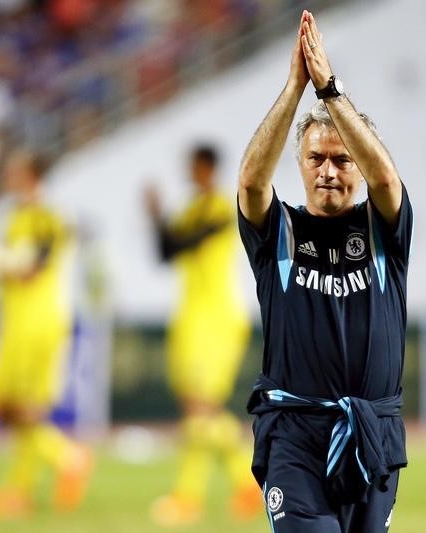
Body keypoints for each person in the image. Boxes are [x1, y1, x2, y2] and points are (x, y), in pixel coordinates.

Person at [237, 10, 412, 532]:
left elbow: (386, 176)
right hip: (295, 434)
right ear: (300, 164)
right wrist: (295, 88)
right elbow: (249, 183)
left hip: (372, 431)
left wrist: (330, 91)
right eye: (316, 159)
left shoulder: (385, 230)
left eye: (341, 159)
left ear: (356, 166)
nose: (328, 171)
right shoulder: (280, 232)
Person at [0, 149, 93, 520]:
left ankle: (29, 484)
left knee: (25, 408)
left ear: (32, 175)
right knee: (5, 407)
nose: (7, 176)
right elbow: (9, 269)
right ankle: (63, 459)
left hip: (41, 322)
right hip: (15, 321)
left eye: (15, 170)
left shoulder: (52, 218)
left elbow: (28, 268)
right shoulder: (15, 217)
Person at [144, 145, 261, 527]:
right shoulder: (193, 209)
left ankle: (187, 498)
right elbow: (165, 252)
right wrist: (156, 217)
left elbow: (184, 242)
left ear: (208, 167)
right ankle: (246, 485)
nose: (190, 173)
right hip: (193, 316)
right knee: (199, 410)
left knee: (199, 409)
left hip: (218, 317)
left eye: (194, 166)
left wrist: (164, 219)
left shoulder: (220, 208)